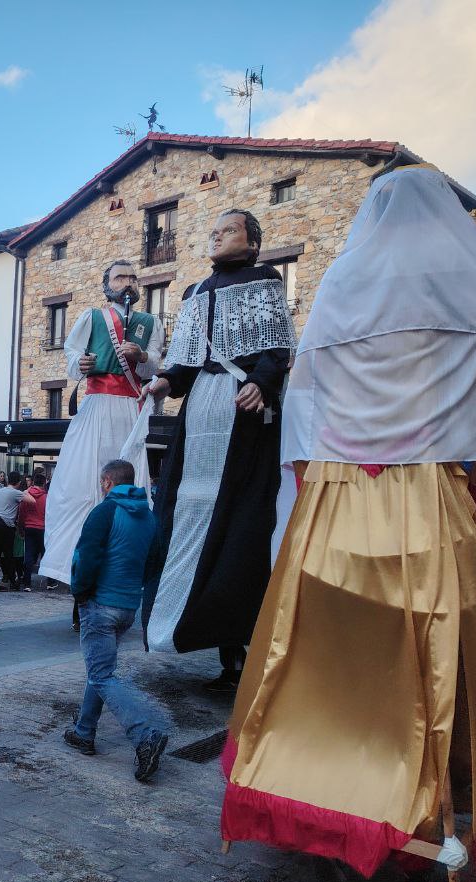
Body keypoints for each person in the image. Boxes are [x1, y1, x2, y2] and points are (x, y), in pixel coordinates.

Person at [223, 165, 476, 882]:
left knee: (327, 670)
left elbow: (304, 409)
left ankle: (340, 811)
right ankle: (413, 827)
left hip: (335, 505)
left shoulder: (340, 288)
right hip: (426, 502)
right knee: (430, 668)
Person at [140, 209, 295, 693]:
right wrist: (164, 382)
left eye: (229, 230)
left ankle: (241, 651)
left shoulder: (265, 279)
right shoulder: (193, 292)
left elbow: (277, 349)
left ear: (252, 243)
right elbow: (185, 364)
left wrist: (262, 383)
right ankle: (187, 626)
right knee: (187, 505)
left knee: (240, 519)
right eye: (214, 231)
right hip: (201, 412)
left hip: (243, 409)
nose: (217, 236)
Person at [38, 260, 166, 591]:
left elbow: (154, 365)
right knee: (80, 481)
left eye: (133, 277)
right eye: (120, 277)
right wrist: (79, 363)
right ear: (107, 285)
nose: (128, 282)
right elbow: (71, 354)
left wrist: (140, 356)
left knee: (131, 476)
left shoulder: (150, 322)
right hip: (96, 404)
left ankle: (124, 561)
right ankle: (73, 563)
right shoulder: (92, 317)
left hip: (130, 407)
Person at [63, 459, 168, 781]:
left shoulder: (105, 511)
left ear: (108, 481)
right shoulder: (149, 516)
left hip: (100, 604)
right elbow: (155, 561)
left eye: (101, 481)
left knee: (102, 675)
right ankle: (84, 731)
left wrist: (80, 592)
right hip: (127, 605)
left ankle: (145, 735)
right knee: (101, 670)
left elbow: (87, 556)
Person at [0, 472, 34, 591]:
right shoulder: (16, 493)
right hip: (6, 524)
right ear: (19, 482)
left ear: (8, 480)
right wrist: (26, 491)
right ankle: (13, 582)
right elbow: (32, 501)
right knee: (9, 554)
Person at [18, 471, 48, 591]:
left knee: (28, 555)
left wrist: (21, 527)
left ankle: (27, 583)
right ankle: (50, 582)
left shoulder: (27, 496)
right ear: (44, 483)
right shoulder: (46, 497)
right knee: (45, 554)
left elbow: (22, 512)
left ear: (33, 482)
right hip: (42, 528)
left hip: (29, 527)